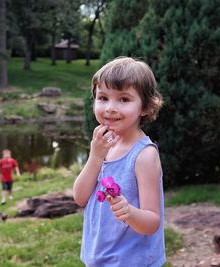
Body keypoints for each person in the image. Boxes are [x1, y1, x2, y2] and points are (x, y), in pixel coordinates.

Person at [73, 57, 166, 266]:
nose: (110, 108)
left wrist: (130, 213)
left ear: (146, 107)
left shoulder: (144, 155)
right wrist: (95, 157)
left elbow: (152, 222)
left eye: (123, 99)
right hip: (98, 258)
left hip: (133, 261)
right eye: (103, 98)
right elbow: (79, 197)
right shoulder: (103, 145)